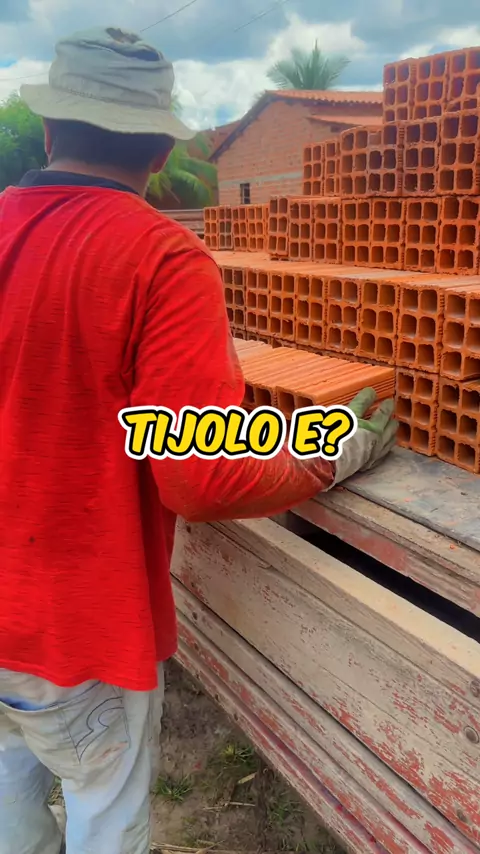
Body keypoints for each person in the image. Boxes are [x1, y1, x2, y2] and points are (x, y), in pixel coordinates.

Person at [0, 26, 398, 854]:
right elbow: (200, 479)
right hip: (75, 631)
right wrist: (329, 455)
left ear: (48, 130)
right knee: (105, 818)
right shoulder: (159, 257)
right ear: (158, 151)